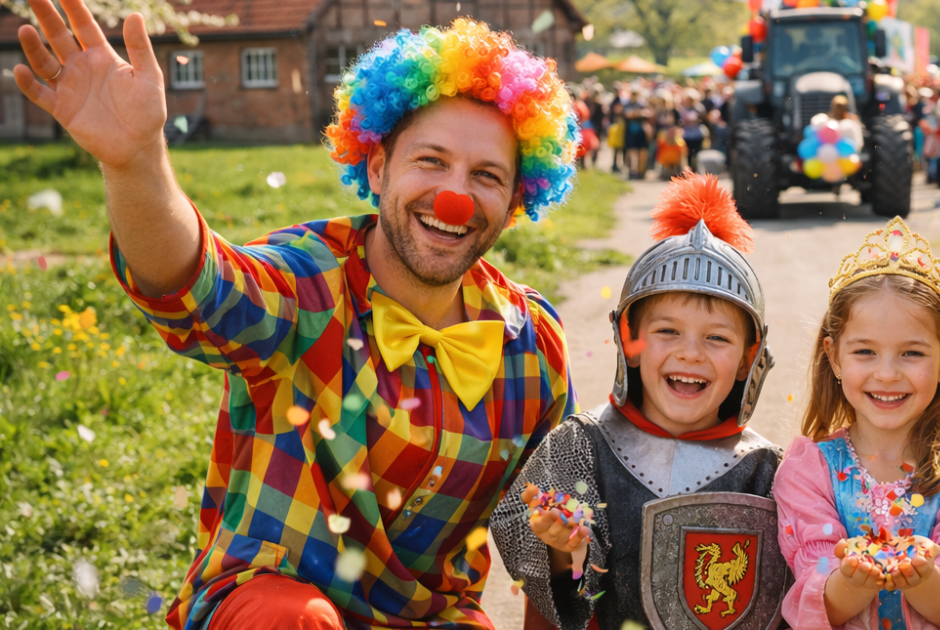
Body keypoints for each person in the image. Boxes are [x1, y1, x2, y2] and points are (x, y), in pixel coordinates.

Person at [10, 5, 581, 629]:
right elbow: (197, 286)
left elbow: (546, 546)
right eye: (431, 161)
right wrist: (134, 161)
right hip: (277, 602)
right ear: (378, 165)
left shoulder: (533, 348)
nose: (455, 196)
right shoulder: (308, 282)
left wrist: (563, 543)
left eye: (488, 176)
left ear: (516, 201)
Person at [493, 173, 782, 630]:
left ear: (750, 359)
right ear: (629, 341)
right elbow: (535, 567)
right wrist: (562, 547)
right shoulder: (579, 445)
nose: (690, 352)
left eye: (717, 338)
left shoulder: (770, 471)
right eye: (667, 331)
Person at [775, 218, 940, 630]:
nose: (886, 374)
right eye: (865, 351)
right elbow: (818, 605)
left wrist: (920, 576)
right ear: (834, 357)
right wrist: (854, 578)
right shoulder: (807, 469)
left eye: (911, 353)